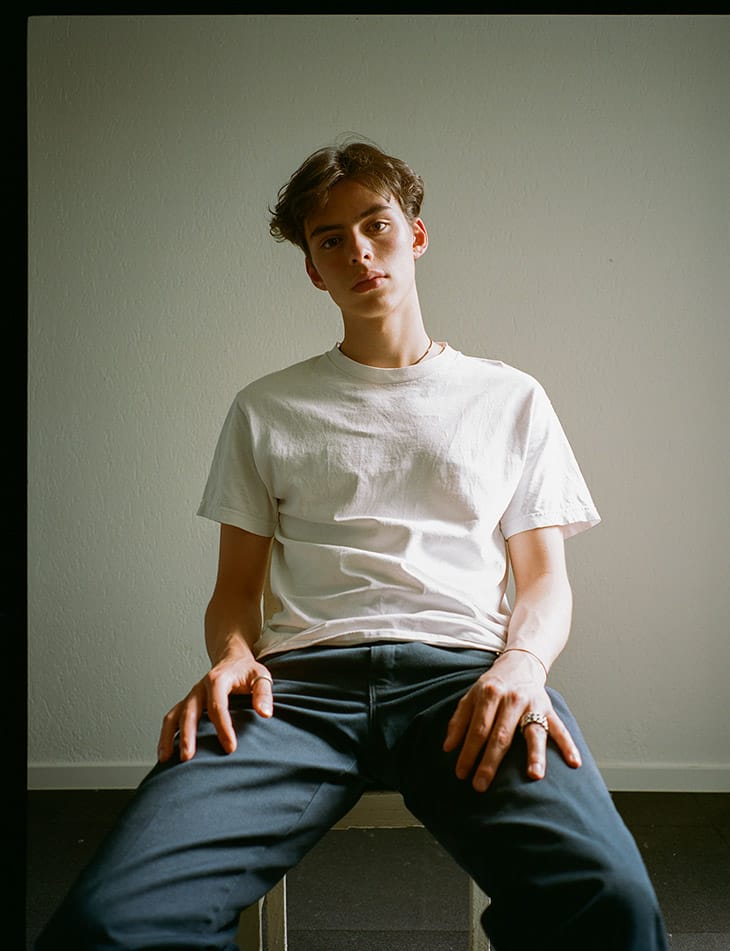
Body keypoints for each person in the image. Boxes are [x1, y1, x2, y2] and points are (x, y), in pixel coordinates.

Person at [36, 140, 668, 950]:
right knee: (106, 923)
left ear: (417, 235)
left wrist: (524, 663)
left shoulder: (510, 397)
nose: (360, 251)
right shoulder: (267, 408)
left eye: (377, 225)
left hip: (464, 680)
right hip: (298, 689)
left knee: (612, 903)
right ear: (313, 270)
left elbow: (545, 581)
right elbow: (236, 590)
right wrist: (232, 655)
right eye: (331, 240)